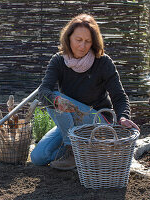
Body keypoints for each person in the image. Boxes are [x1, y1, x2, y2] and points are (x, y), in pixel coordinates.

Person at [30, 13, 140, 170]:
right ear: (68, 38)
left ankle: (73, 153)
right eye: (78, 40)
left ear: (93, 42)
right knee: (38, 157)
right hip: (71, 123)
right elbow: (43, 91)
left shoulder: (103, 62)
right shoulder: (58, 61)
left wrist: (123, 117)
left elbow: (119, 96)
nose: (82, 46)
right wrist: (55, 101)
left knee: (57, 96)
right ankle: (83, 151)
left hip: (98, 120)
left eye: (88, 41)